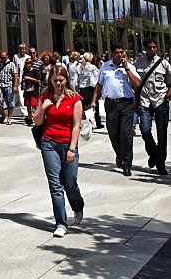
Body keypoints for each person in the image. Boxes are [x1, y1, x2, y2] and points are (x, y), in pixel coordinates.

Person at [33, 64, 84, 237]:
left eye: (61, 80)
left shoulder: (74, 98)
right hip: (49, 142)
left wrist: (72, 148)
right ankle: (61, 223)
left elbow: (77, 126)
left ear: (66, 80)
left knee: (70, 184)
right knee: (55, 185)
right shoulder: (46, 96)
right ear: (51, 81)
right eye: (55, 81)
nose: (58, 84)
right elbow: (38, 121)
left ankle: (78, 206)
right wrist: (44, 107)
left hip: (68, 143)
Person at [91, 46, 141, 176]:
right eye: (117, 53)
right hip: (111, 103)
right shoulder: (106, 67)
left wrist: (127, 69)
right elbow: (99, 84)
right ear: (112, 54)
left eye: (122, 52)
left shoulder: (130, 67)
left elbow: (137, 84)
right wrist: (93, 101)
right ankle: (119, 154)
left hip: (126, 103)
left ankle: (126, 163)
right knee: (113, 133)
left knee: (126, 133)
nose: (120, 55)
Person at [133, 38, 171, 175]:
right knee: (144, 130)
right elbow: (134, 83)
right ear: (145, 48)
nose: (153, 49)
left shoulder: (164, 63)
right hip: (144, 101)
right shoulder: (138, 63)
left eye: (154, 47)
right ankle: (154, 153)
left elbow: (170, 81)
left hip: (160, 101)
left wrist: (167, 96)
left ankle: (160, 163)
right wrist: (136, 102)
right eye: (150, 47)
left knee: (162, 135)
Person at [0, 51, 18, 124]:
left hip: (9, 85)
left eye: (4, 57)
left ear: (7, 56)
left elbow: (15, 75)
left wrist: (15, 86)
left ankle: (9, 118)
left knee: (10, 103)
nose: (3, 59)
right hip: (0, 86)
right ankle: (3, 114)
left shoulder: (11, 64)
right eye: (1, 57)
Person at [74, 52, 99, 117]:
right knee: (94, 104)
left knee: (84, 105)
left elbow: (76, 78)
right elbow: (96, 76)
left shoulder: (79, 66)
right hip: (90, 87)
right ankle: (97, 121)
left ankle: (87, 119)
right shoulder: (92, 67)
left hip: (81, 87)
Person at [22, 59, 41, 124]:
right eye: (26, 64)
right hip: (27, 89)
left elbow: (38, 80)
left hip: (33, 89)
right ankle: (29, 117)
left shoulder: (35, 71)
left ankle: (40, 114)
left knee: (34, 104)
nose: (28, 65)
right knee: (28, 104)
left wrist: (30, 78)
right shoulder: (25, 71)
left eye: (29, 64)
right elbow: (23, 79)